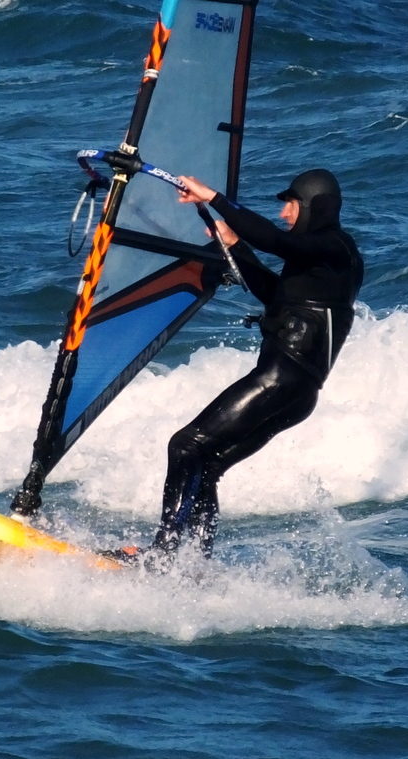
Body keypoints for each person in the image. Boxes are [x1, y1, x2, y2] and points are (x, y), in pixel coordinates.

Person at [105, 169, 363, 564]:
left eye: (291, 205)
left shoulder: (335, 248)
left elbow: (275, 240)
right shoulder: (322, 262)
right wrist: (236, 245)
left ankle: (163, 555)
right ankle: (194, 565)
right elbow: (275, 295)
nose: (284, 214)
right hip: (296, 390)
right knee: (206, 464)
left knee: (186, 445)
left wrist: (214, 198)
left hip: (282, 379)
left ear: (314, 206)